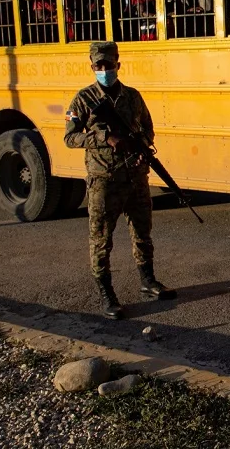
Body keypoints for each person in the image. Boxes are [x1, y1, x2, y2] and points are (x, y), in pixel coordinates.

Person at [64, 41, 176, 320]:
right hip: (104, 180)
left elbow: (148, 128)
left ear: (118, 65)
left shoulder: (133, 97)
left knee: (142, 231)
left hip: (135, 178)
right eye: (99, 66)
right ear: (92, 67)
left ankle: (148, 280)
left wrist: (141, 149)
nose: (104, 70)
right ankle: (107, 294)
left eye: (109, 65)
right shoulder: (83, 100)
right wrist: (103, 137)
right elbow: (69, 138)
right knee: (101, 239)